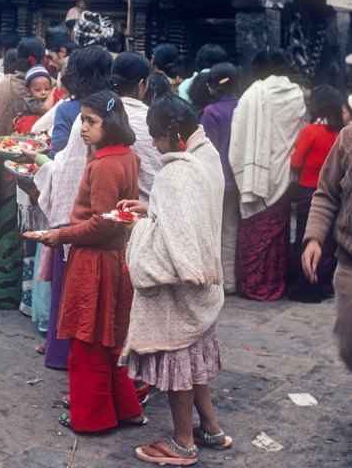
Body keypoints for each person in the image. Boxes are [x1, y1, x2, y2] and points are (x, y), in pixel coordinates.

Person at [120, 95, 231, 466]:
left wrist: (138, 229)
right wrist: (153, 209)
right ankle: (211, 428)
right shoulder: (208, 156)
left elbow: (171, 244)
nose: (152, 144)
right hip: (206, 286)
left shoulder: (175, 173)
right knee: (196, 362)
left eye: (155, 137)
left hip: (180, 290)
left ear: (172, 134)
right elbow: (190, 216)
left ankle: (183, 442)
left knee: (179, 364)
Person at [27, 91, 143, 433]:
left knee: (87, 342)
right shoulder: (125, 156)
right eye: (83, 121)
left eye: (91, 122)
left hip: (94, 261)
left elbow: (103, 223)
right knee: (107, 341)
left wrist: (58, 235)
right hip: (113, 258)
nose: (83, 128)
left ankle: (91, 418)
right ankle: (124, 409)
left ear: (111, 123)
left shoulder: (106, 164)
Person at [35, 45, 113, 370]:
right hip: (106, 206)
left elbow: (61, 160)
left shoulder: (70, 110)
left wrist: (41, 163)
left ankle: (60, 350)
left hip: (74, 208)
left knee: (67, 284)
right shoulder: (114, 107)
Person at [229, 49, 306, 301]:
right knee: (277, 233)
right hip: (283, 175)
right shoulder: (298, 96)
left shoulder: (253, 94)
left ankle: (252, 284)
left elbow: (239, 139)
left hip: (256, 175)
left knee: (254, 229)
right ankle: (274, 282)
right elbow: (300, 133)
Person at [0, 37, 46, 308]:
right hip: (13, 167)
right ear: (36, 60)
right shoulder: (26, 91)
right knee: (11, 227)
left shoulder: (4, 83)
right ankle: (6, 294)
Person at [303, 120, 352, 370]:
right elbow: (326, 194)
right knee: (349, 347)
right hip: (349, 264)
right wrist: (314, 238)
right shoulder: (347, 138)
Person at [289, 85, 343, 302]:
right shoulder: (341, 135)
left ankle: (306, 285)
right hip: (334, 195)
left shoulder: (310, 132)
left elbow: (295, 162)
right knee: (328, 242)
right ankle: (324, 283)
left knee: (307, 238)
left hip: (308, 192)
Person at [200, 62, 239, 294]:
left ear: (212, 87)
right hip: (236, 180)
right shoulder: (244, 107)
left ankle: (214, 281)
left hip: (214, 180)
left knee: (212, 231)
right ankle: (231, 281)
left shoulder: (210, 113)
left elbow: (207, 149)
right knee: (231, 230)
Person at [111, 52, 162, 204]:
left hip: (112, 210)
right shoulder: (155, 119)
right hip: (152, 208)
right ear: (142, 84)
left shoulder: (95, 116)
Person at [13, 65, 53, 135]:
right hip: (27, 131)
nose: (43, 92)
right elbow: (46, 108)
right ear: (29, 90)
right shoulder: (29, 102)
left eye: (47, 89)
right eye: (38, 90)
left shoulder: (50, 99)